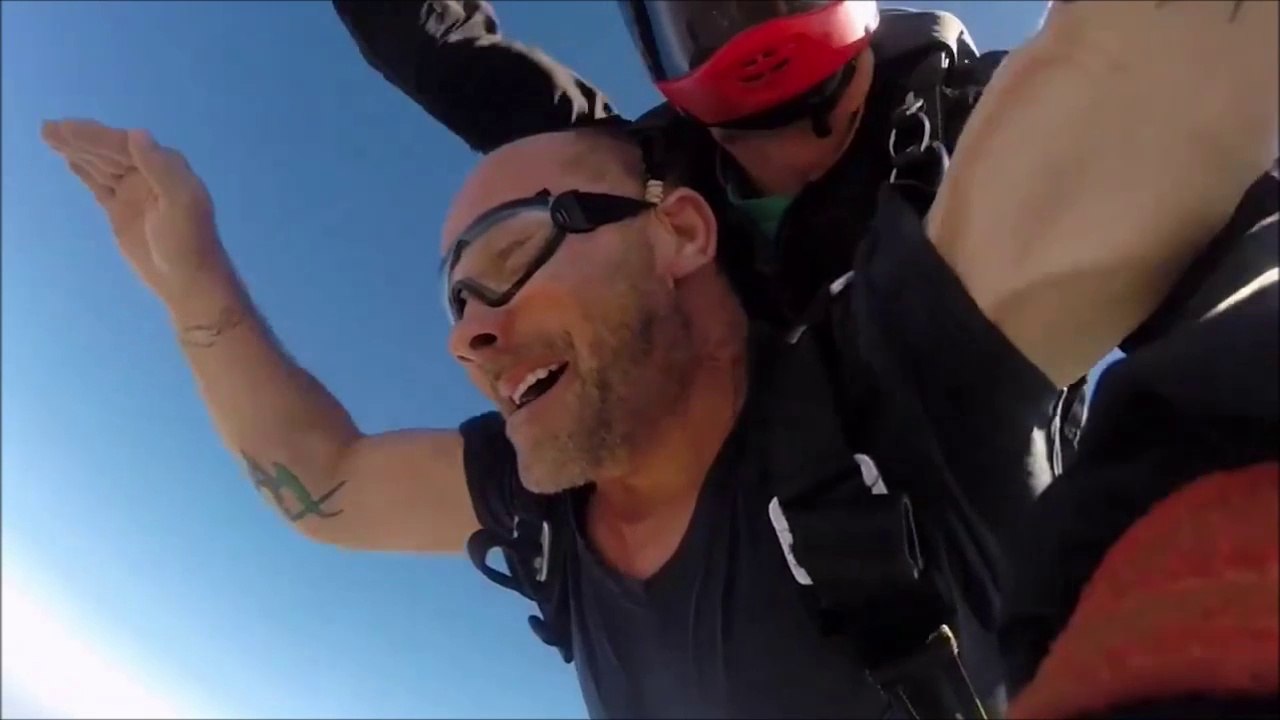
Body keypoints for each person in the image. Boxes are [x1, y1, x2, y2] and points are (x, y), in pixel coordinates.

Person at [43, 117, 1058, 718]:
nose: (466, 337)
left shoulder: (899, 396)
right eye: (457, 301)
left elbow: (1135, 89)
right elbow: (328, 485)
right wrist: (190, 281)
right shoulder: (549, 520)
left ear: (680, 233)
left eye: (508, 259)